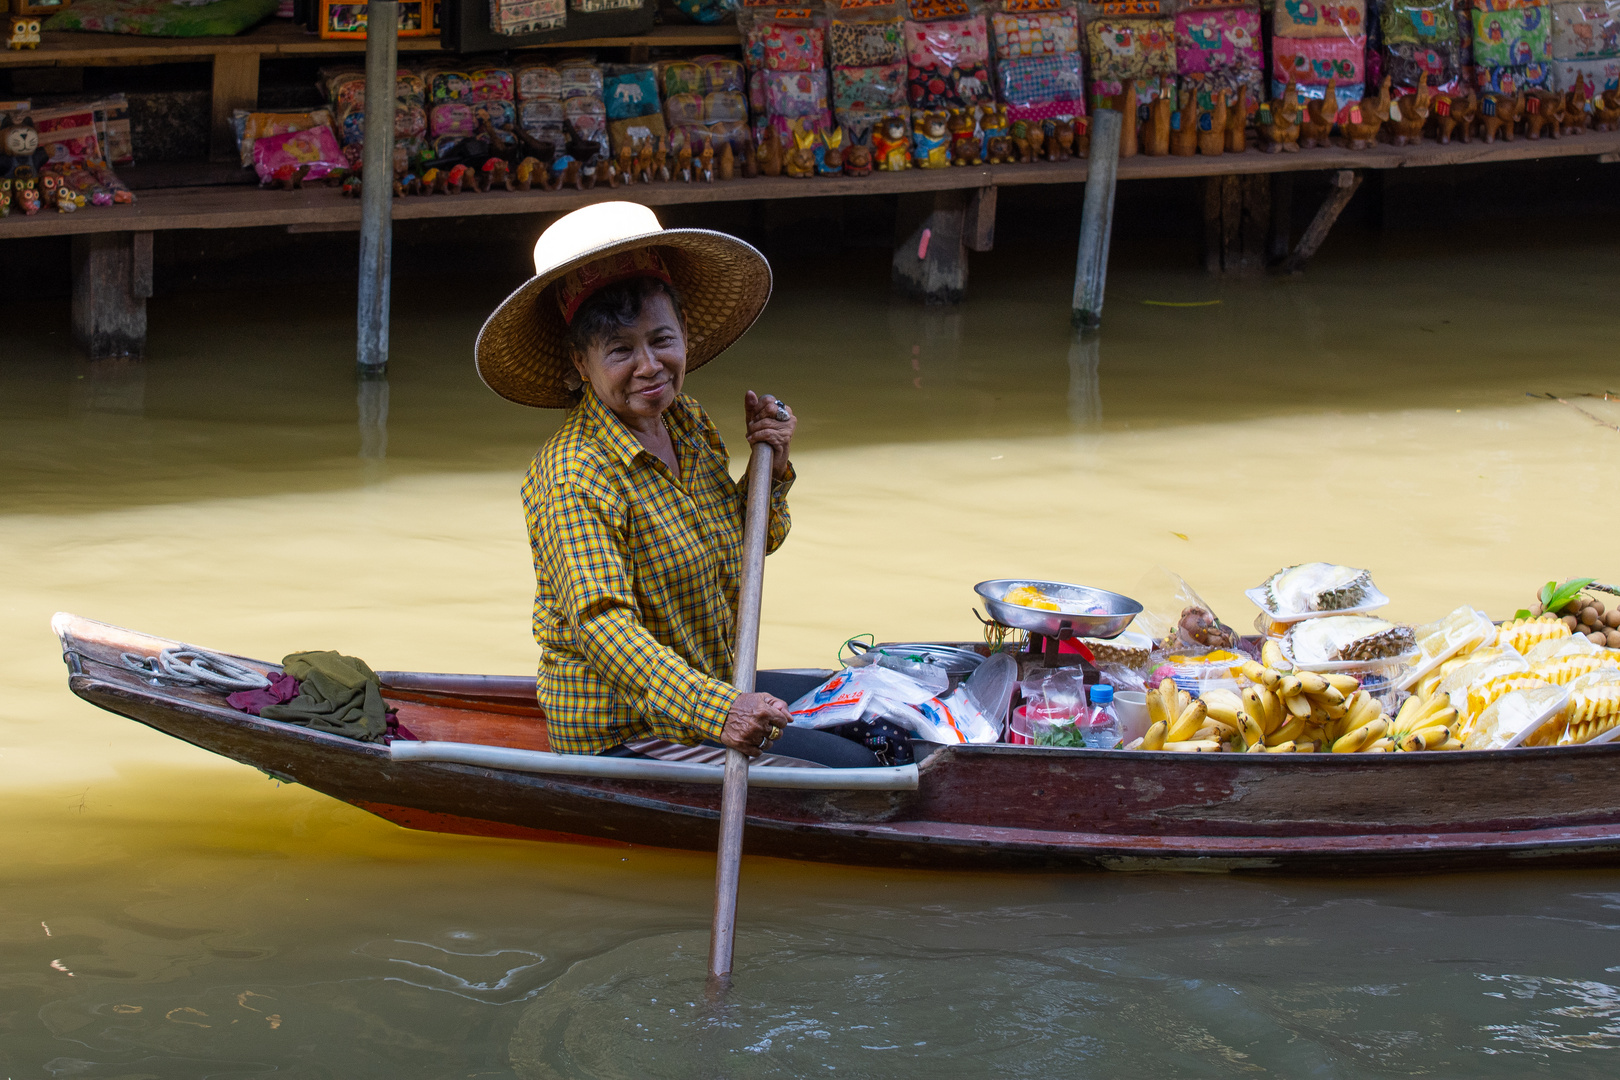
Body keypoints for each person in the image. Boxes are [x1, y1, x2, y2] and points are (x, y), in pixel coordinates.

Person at [475, 203, 877, 769]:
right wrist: (726, 711)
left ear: (684, 335)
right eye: (619, 350)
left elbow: (744, 551)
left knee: (875, 713)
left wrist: (773, 471)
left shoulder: (685, 421)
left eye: (661, 339)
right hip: (627, 727)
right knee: (863, 771)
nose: (650, 366)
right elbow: (604, 630)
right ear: (579, 364)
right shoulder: (573, 473)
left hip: (710, 678)